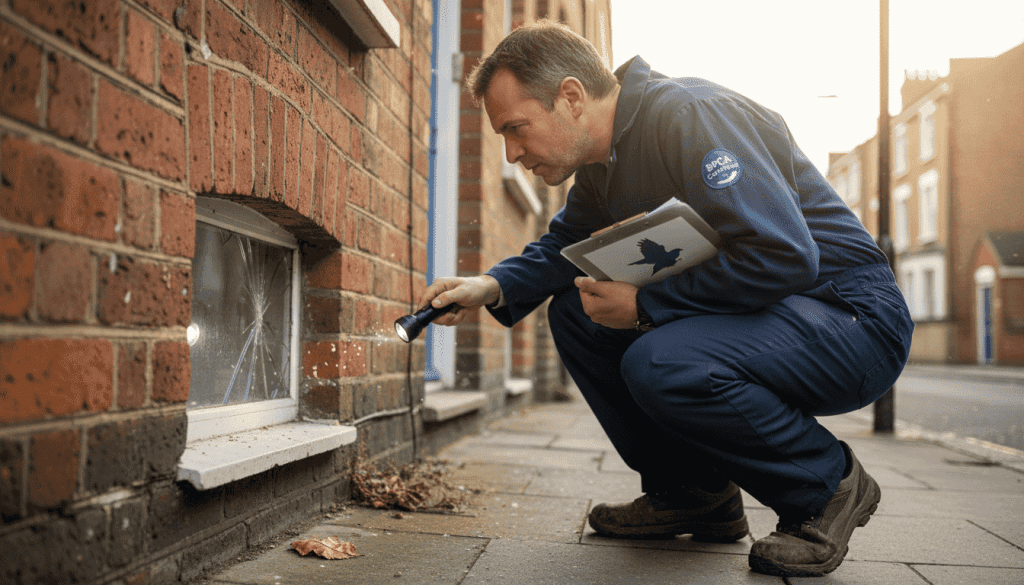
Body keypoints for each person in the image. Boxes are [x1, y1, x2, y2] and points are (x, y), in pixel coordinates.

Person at [418, 21, 913, 578]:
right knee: (579, 316)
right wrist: (492, 285)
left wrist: (648, 307)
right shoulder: (603, 161)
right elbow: (566, 245)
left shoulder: (692, 114)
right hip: (775, 315)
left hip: (852, 318)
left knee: (661, 360)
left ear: (572, 97)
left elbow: (784, 254)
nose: (511, 154)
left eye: (516, 128)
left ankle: (824, 485)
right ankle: (694, 493)